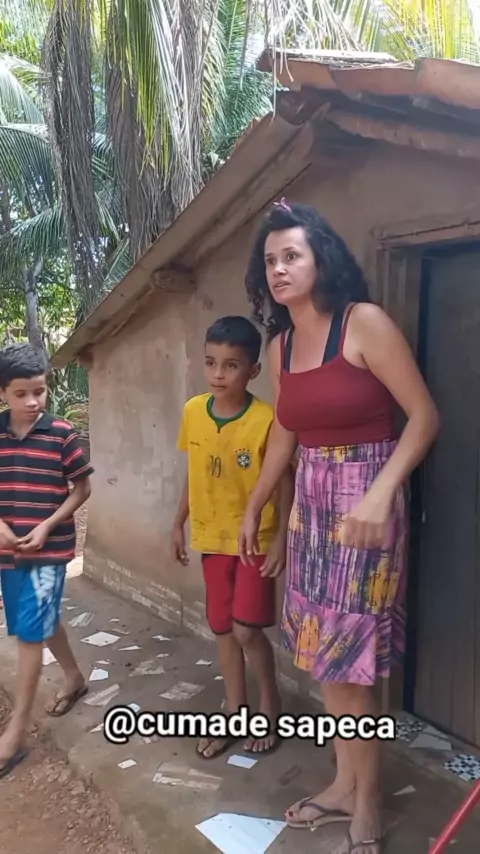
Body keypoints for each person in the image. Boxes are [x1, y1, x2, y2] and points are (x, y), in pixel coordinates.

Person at [239, 201, 440, 854]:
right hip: (313, 508)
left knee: (353, 663)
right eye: (270, 260)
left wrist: (382, 494)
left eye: (292, 255)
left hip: (366, 503)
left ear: (321, 259)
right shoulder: (281, 347)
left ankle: (368, 797)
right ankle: (344, 784)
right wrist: (258, 504)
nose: (279, 269)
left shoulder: (363, 323)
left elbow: (423, 417)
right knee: (327, 656)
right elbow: (286, 432)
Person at [171, 316, 294, 758]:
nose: (218, 374)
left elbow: (285, 481)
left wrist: (281, 538)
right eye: (211, 363)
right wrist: (178, 521)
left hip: (254, 541)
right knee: (223, 629)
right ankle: (234, 710)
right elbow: (194, 471)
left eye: (231, 365)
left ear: (253, 370)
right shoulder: (193, 411)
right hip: (211, 538)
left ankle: (269, 704)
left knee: (245, 630)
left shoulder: (267, 420)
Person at [0, 343, 93, 778]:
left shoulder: (61, 434)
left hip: (50, 550)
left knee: (29, 635)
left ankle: (15, 734)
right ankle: (74, 677)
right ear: (3, 392)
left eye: (39, 391)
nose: (33, 401)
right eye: (22, 393)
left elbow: (82, 488)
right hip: (10, 552)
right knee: (38, 620)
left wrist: (48, 525)